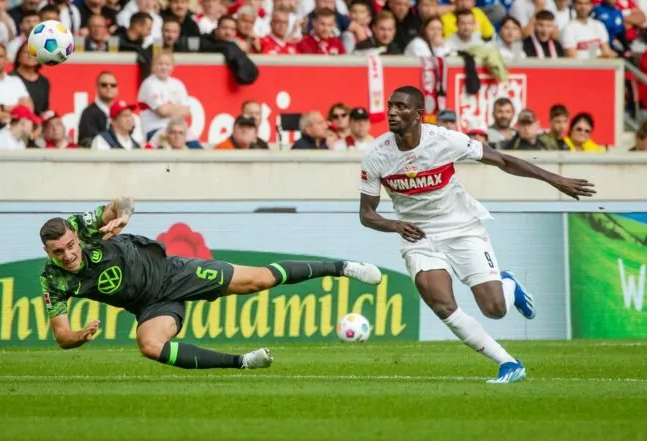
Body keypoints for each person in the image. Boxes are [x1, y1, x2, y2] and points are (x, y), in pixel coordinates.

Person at [358, 86, 596, 384]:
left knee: (494, 309)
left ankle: (508, 285)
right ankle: (508, 363)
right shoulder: (377, 155)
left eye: (401, 107)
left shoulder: (444, 140)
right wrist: (395, 225)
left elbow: (502, 160)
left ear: (419, 114)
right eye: (391, 106)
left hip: (462, 228)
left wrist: (555, 179)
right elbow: (366, 213)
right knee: (442, 304)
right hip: (419, 236)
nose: (392, 112)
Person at [39, 197, 383, 370]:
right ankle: (242, 362)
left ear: (76, 237)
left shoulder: (81, 225)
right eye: (58, 252)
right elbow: (62, 337)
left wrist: (124, 216)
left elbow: (122, 200)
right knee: (149, 345)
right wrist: (80, 335)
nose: (68, 255)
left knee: (258, 280)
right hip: (150, 306)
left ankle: (342, 267)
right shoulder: (54, 280)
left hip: (173, 273)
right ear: (47, 252)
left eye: (71, 246)